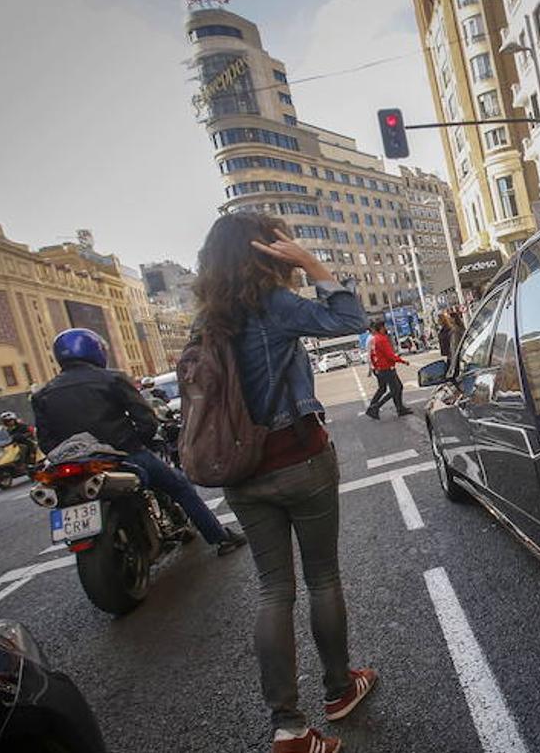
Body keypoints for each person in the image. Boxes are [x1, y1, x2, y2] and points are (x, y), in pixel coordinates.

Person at [194, 212, 375, 753]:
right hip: (298, 459)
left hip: (241, 472)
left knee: (274, 590)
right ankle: (340, 689)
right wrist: (312, 263)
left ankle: (289, 728)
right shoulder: (270, 305)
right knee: (322, 578)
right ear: (267, 254)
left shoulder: (207, 322)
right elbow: (349, 319)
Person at [30, 329, 247, 556]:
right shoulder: (112, 378)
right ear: (95, 351)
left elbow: (46, 441)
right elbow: (145, 419)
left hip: (75, 467)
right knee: (180, 486)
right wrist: (138, 441)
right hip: (123, 454)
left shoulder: (43, 394)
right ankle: (220, 538)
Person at [364, 321, 410, 419]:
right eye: (384, 327)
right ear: (380, 328)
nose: (386, 328)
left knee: (396, 388)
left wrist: (375, 367)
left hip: (382, 368)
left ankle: (399, 408)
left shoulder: (375, 339)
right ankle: (375, 407)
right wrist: (402, 361)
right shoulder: (381, 339)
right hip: (387, 368)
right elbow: (390, 355)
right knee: (395, 389)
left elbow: (372, 355)